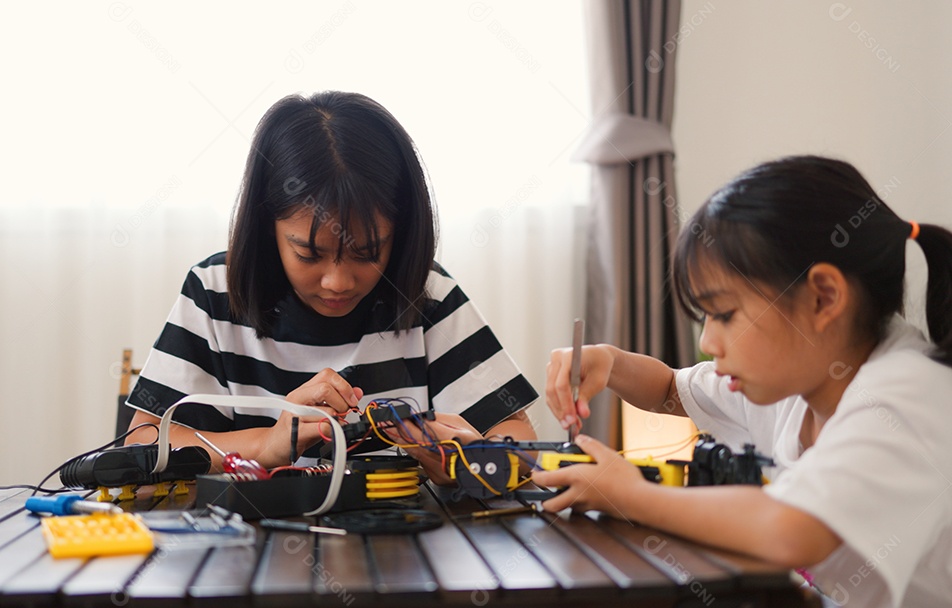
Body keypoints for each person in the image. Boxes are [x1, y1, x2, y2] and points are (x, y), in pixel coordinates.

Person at [535, 156, 952, 608]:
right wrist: (611, 363)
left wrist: (631, 495)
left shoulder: (906, 397)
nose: (709, 342)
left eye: (725, 314)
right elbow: (669, 391)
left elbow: (792, 530)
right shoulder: (795, 379)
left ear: (823, 297)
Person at [125, 91, 537, 482]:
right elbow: (143, 444)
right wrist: (267, 444)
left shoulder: (426, 295)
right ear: (268, 227)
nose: (337, 282)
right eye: (308, 253)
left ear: (403, 232)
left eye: (368, 252)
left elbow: (522, 444)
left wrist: (466, 461)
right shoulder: (215, 294)